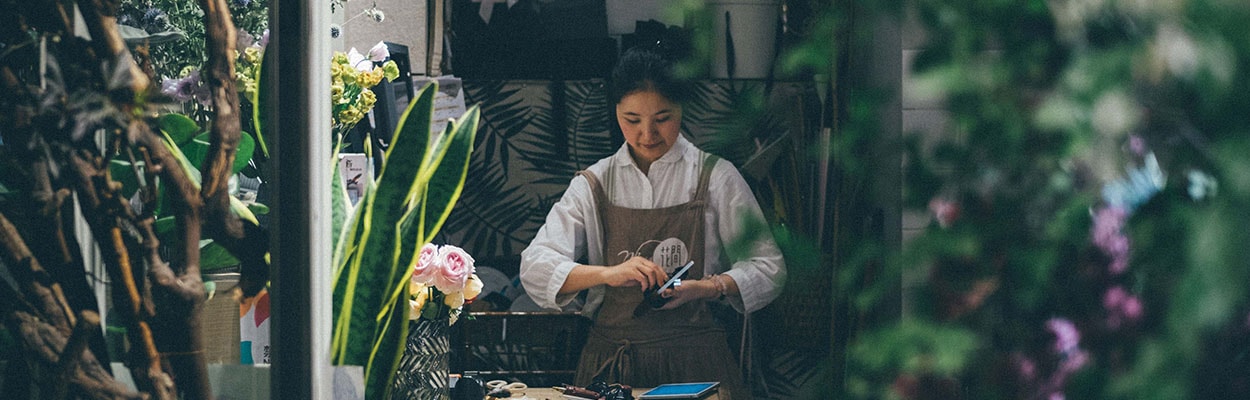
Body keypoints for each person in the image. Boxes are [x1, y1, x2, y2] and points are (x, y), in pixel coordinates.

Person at [519, 46, 786, 400]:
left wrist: (708, 287)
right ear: (615, 112)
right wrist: (607, 273)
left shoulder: (715, 177)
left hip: (698, 366)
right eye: (632, 120)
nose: (648, 134)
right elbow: (535, 266)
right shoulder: (594, 184)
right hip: (610, 368)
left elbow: (769, 268)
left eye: (662, 118)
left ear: (682, 109)